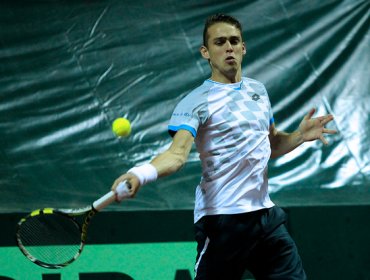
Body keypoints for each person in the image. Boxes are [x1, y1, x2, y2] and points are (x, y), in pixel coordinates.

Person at [112, 13, 337, 280]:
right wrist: (141, 173)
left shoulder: (258, 91)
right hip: (222, 222)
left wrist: (299, 135)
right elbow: (176, 154)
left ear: (243, 48)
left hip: (265, 217)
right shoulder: (196, 101)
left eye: (234, 41)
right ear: (205, 52)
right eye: (219, 42)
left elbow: (271, 143)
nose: (228, 47)